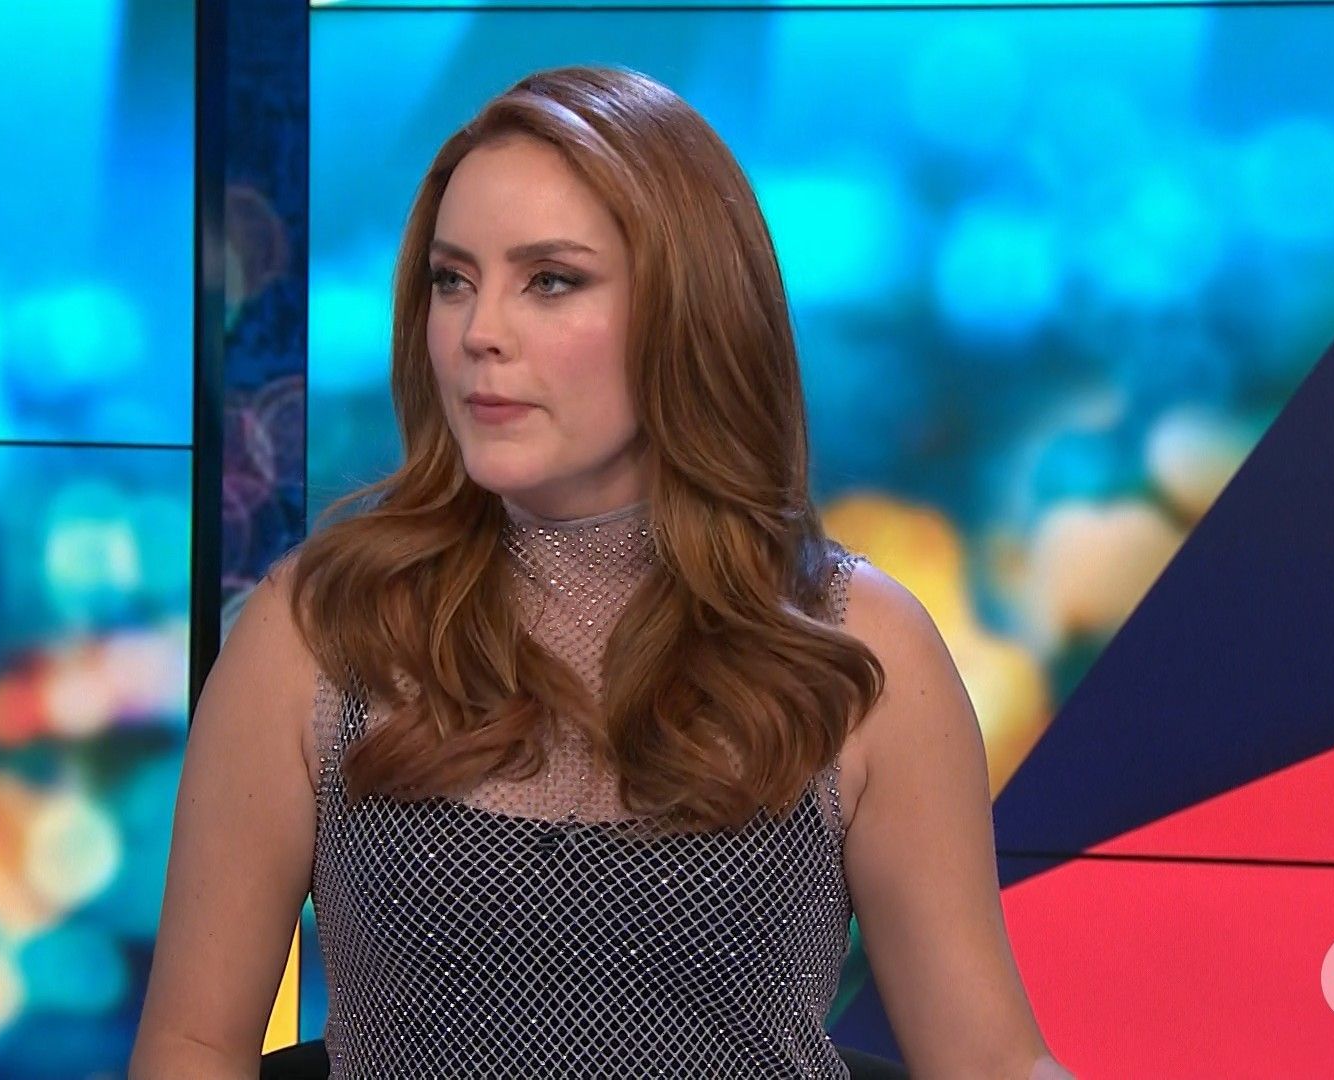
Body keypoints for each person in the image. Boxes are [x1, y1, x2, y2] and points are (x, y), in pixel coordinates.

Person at [131, 65, 1075, 1079]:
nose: (480, 333)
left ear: (688, 309)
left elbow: (989, 1063)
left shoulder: (860, 647)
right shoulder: (317, 635)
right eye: (453, 280)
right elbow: (194, 1047)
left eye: (550, 280)